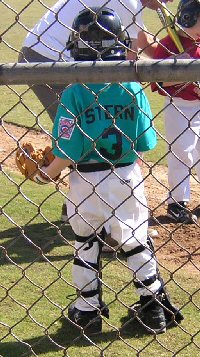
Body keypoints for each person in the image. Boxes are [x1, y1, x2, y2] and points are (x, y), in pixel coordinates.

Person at [25, 7, 183, 334]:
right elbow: (145, 142)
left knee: (85, 242)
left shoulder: (74, 92)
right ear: (119, 42)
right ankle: (152, 307)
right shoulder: (132, 87)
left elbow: (68, 149)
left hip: (85, 181)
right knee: (136, 241)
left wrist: (47, 173)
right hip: (126, 174)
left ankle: (88, 309)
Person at [18, 0, 173, 222]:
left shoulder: (130, 5)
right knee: (84, 134)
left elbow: (142, 40)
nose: (169, 2)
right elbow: (125, 65)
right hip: (48, 59)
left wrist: (178, 52)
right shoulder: (128, 3)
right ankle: (98, 219)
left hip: (49, 56)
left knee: (86, 133)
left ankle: (82, 210)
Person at [151, 0, 200, 223]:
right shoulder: (169, 44)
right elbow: (158, 83)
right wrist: (178, 69)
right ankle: (177, 203)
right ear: (190, 18)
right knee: (182, 152)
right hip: (179, 105)